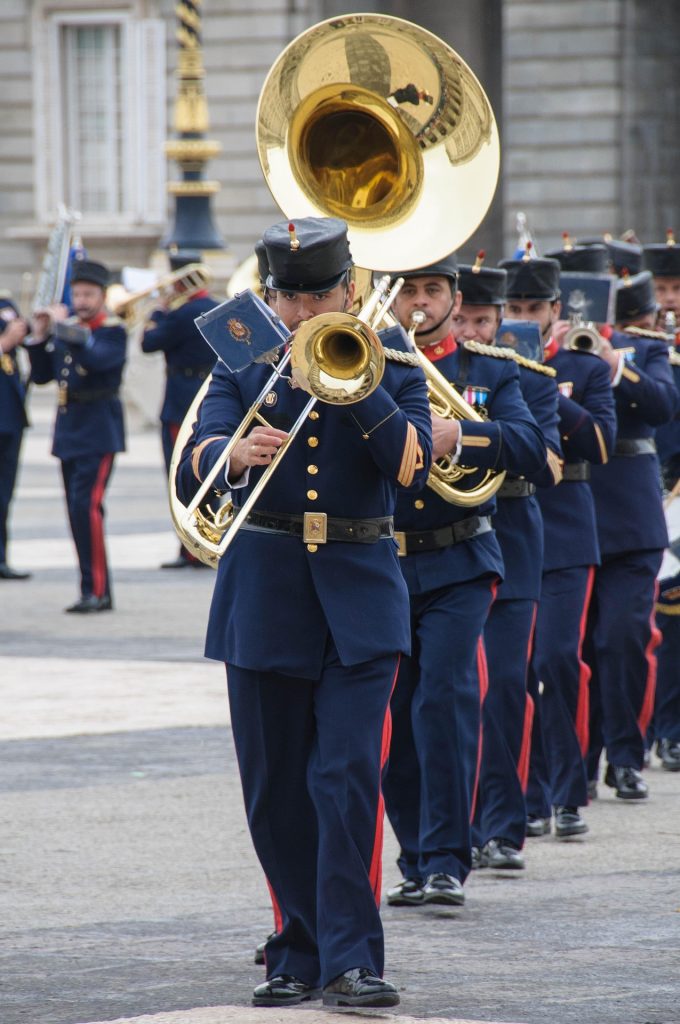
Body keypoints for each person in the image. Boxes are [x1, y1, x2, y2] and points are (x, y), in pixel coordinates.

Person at [176, 217, 432, 1009]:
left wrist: (356, 389)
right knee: (276, 787)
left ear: (347, 291)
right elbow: (198, 454)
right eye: (287, 296)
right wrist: (231, 452)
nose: (298, 311)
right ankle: (297, 947)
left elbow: (410, 465)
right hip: (265, 590)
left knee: (347, 779)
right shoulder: (244, 361)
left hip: (358, 592)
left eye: (315, 295)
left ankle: (353, 958)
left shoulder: (394, 361)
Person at [379, 253, 546, 907]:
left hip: (461, 561)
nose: (419, 302)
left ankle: (449, 857)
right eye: (407, 291)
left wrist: (463, 436)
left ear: (455, 297)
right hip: (385, 566)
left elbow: (532, 446)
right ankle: (415, 854)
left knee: (442, 704)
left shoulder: (493, 370)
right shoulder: (371, 370)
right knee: (393, 717)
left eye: (432, 289)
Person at [502, 247, 617, 835]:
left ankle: (569, 790)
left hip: (569, 528)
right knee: (514, 672)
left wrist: (550, 389)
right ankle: (526, 796)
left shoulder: (589, 368)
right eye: (513, 306)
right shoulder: (492, 366)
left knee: (557, 661)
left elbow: (599, 447)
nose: (524, 316)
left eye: (533, 307)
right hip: (515, 526)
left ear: (554, 309)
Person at [453, 257, 562, 870]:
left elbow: (546, 465)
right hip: (453, 541)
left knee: (506, 688)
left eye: (480, 319)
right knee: (456, 693)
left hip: (514, 537)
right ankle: (459, 825)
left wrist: (475, 433)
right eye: (461, 316)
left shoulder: (526, 378)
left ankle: (504, 823)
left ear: (498, 322)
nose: (468, 329)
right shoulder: (422, 370)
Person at [584, 269, 677, 798]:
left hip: (632, 516)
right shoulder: (542, 348)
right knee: (573, 651)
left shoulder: (645, 348)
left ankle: (626, 754)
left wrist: (616, 364)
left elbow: (664, 406)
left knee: (623, 639)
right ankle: (579, 763)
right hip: (573, 514)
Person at [27, 259, 127, 612]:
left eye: (88, 294)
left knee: (87, 509)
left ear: (102, 296)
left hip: (99, 430)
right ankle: (92, 587)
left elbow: (99, 361)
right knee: (75, 510)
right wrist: (40, 337)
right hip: (70, 430)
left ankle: (96, 591)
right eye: (77, 294)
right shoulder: (69, 329)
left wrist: (62, 329)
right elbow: (41, 376)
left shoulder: (112, 329)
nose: (81, 301)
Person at [141, 250, 217, 568]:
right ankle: (209, 537)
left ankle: (190, 548)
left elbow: (148, 343)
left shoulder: (180, 313)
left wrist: (157, 311)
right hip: (208, 397)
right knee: (211, 471)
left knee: (179, 474)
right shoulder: (214, 307)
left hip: (179, 401)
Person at [641, 234, 680, 771]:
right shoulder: (644, 348)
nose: (669, 299)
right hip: (661, 493)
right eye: (662, 289)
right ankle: (667, 727)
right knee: (667, 615)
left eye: (677, 288)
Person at [0, 298, 31, 579]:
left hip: (9, 416)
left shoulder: (6, 302)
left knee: (3, 495)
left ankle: (1, 557)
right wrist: (4, 342)